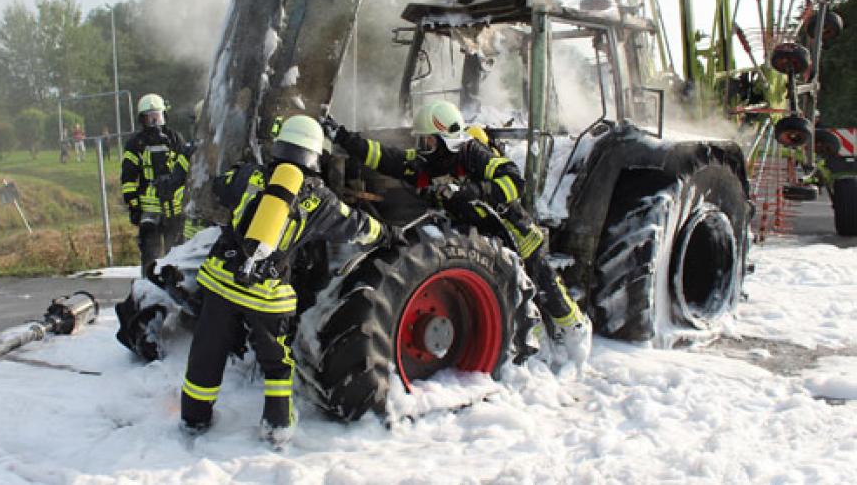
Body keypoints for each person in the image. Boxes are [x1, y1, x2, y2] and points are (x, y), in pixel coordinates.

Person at [180, 115, 399, 447]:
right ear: (314, 153)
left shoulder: (252, 175)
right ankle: (277, 426)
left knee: (207, 351)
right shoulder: (318, 197)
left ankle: (194, 419)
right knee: (277, 364)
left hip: (222, 281)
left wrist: (240, 174)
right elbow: (353, 224)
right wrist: (384, 233)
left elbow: (219, 186)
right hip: (267, 294)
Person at [324, 99, 592, 369]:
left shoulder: (471, 153)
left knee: (543, 288)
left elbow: (513, 180)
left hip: (513, 234)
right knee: (513, 295)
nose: (422, 148)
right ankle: (530, 349)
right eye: (422, 142)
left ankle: (575, 334)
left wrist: (474, 192)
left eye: (428, 142)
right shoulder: (427, 165)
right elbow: (386, 158)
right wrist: (344, 137)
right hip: (478, 237)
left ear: (444, 138)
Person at [121, 94, 190, 276]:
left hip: (173, 207)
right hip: (149, 209)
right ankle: (148, 286)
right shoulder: (136, 143)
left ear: (164, 116)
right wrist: (134, 206)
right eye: (149, 117)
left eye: (157, 116)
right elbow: (128, 179)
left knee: (176, 252)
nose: (154, 122)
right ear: (141, 119)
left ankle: (176, 286)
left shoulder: (175, 138)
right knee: (149, 253)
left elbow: (185, 169)